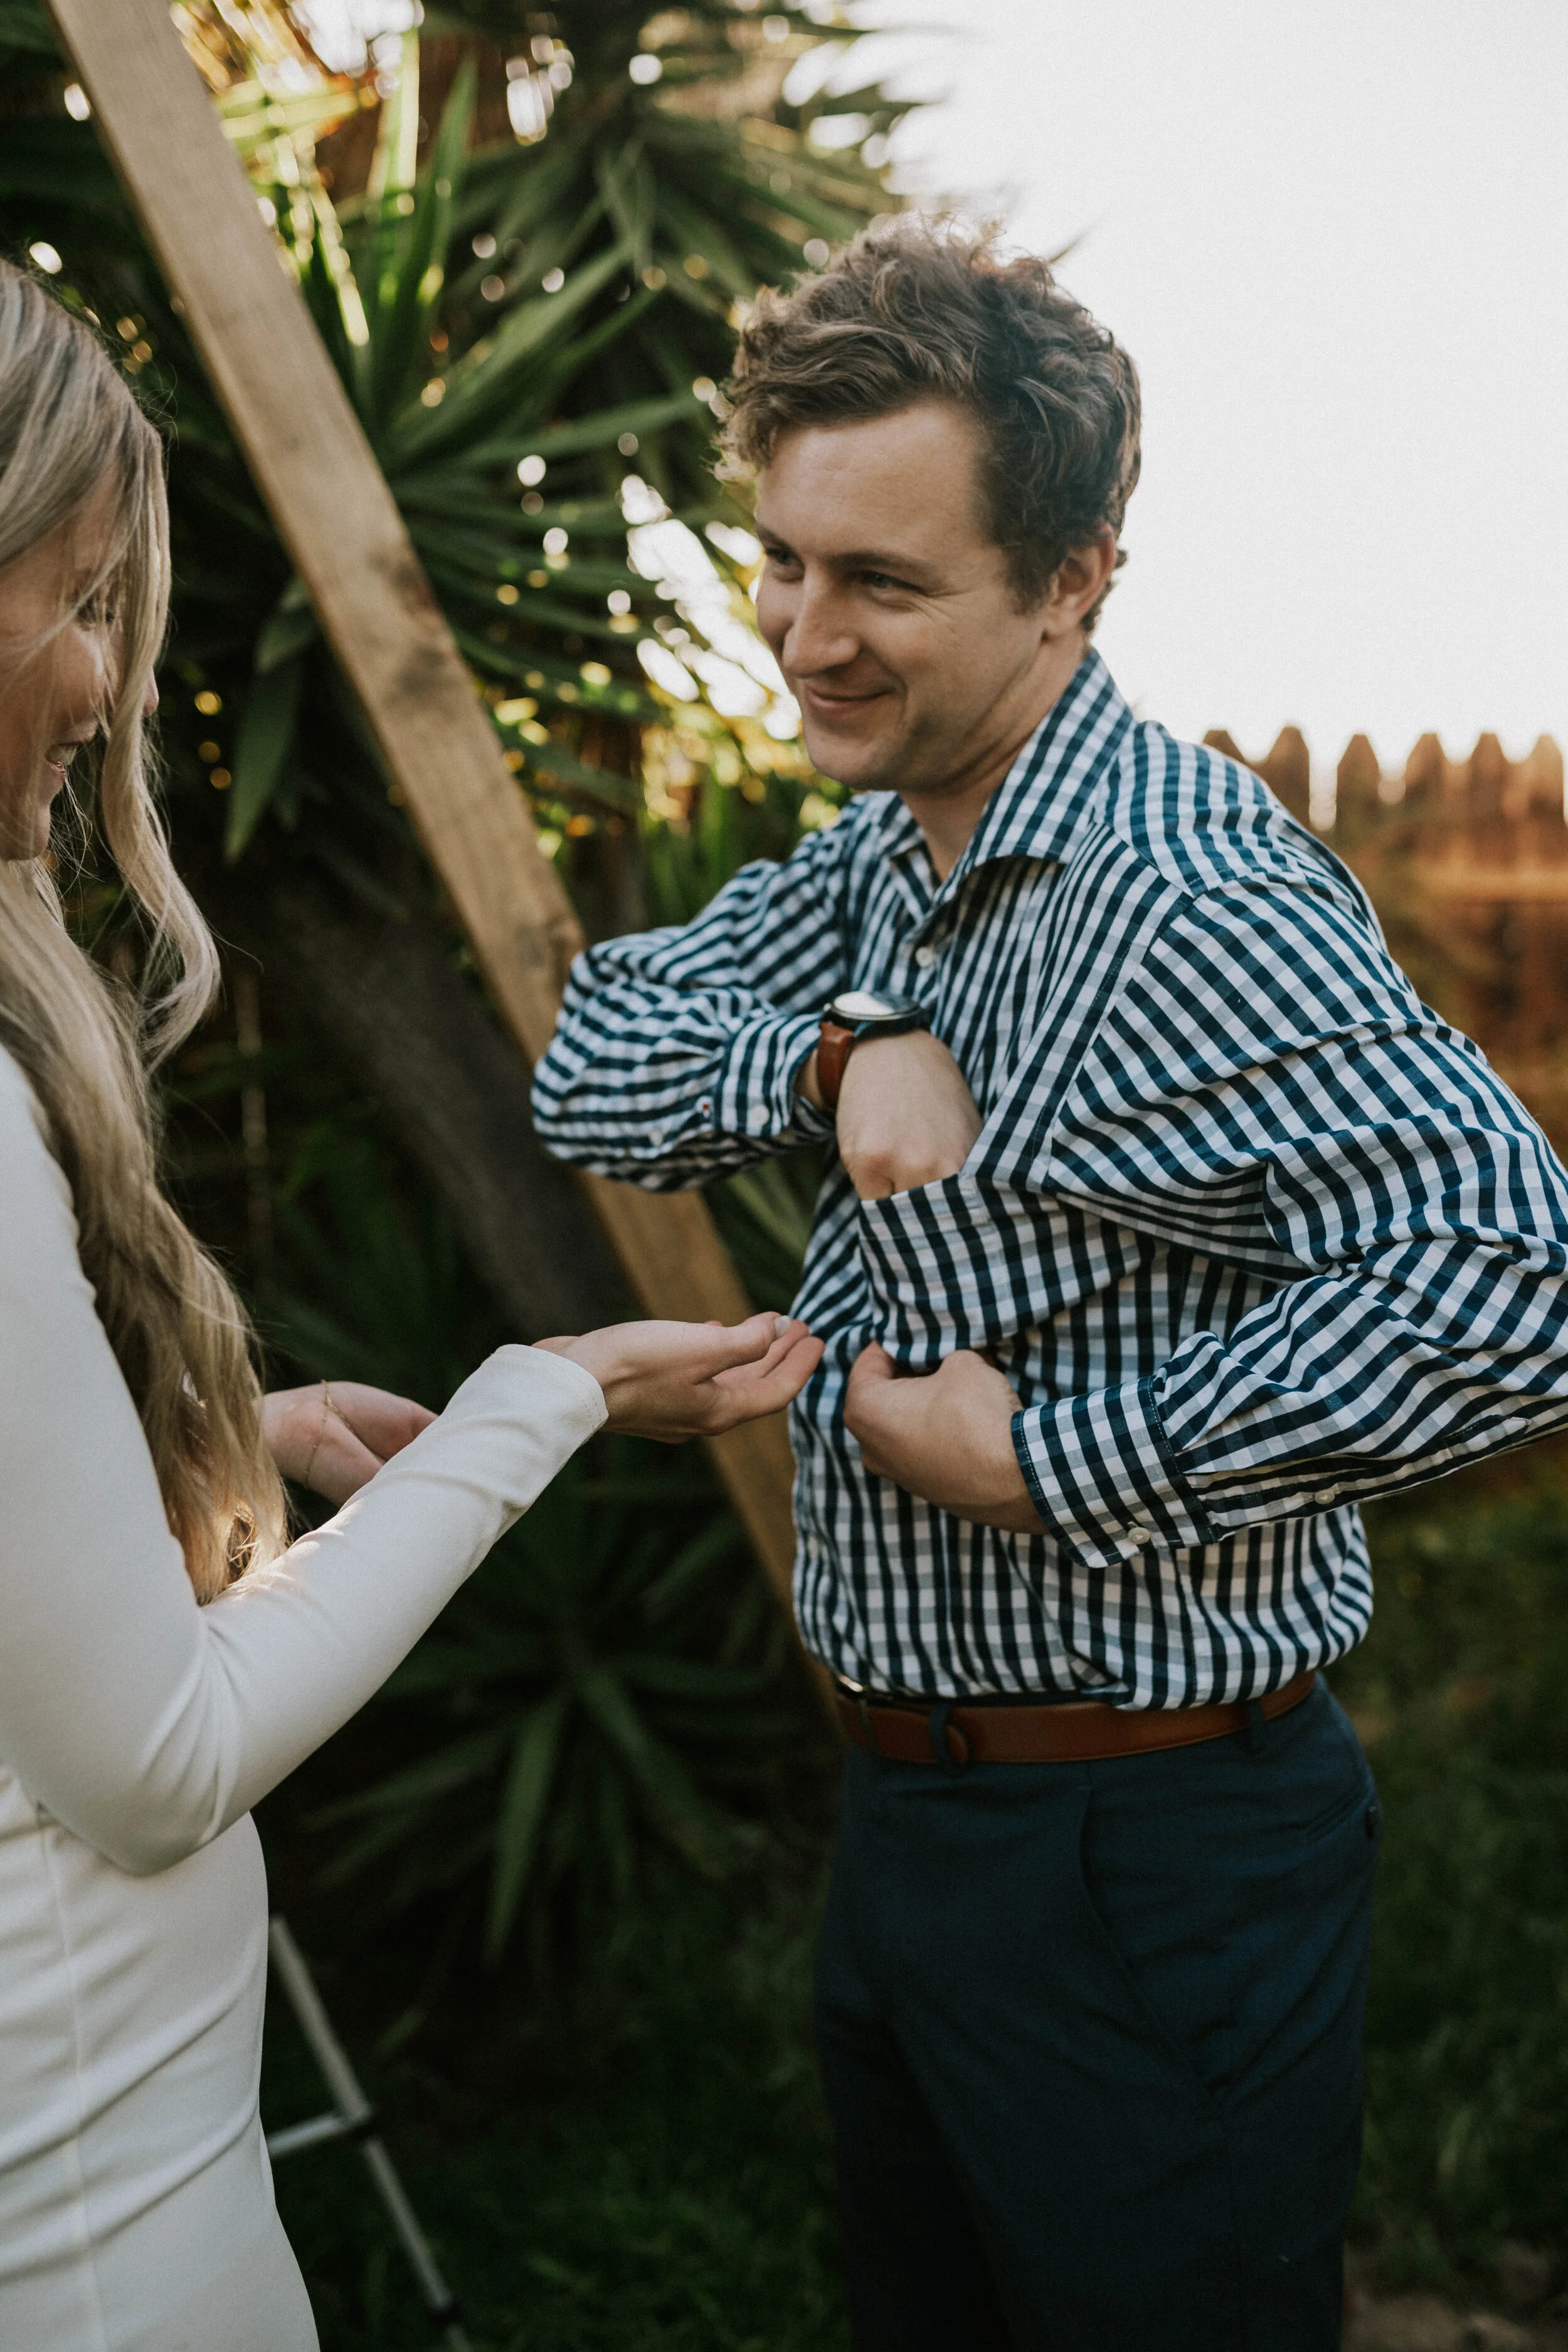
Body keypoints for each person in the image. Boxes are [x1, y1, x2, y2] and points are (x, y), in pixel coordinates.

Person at [532, 217, 1568, 2350]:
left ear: (1077, 574)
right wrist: (828, 1053)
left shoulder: (1172, 893)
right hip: (921, 1818)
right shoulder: (881, 847)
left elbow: (1503, 1272)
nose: (803, 637)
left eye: (882, 584)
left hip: (1145, 1844)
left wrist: (1055, 1456)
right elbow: (594, 1063)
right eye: (786, 562)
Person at [0, 257, 822, 2352]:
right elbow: (158, 1763)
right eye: (78, 597)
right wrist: (525, 1405)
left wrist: (203, 1450)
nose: (103, 685)